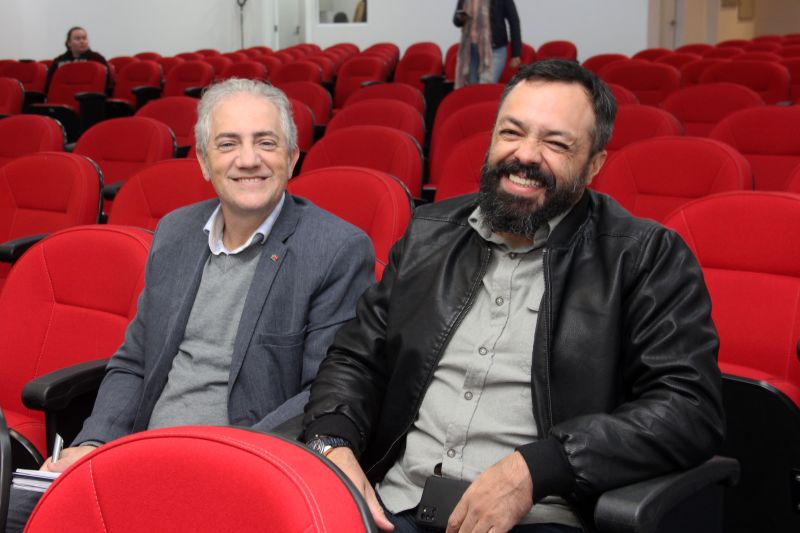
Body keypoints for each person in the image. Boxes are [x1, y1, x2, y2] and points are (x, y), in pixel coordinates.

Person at [302, 59, 724, 533]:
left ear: (594, 165)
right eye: (512, 132)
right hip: (394, 508)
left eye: (556, 143)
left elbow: (688, 408)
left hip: (538, 517)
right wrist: (332, 440)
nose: (525, 154)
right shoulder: (429, 233)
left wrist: (540, 467)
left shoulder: (643, 256)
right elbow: (356, 357)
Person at [5, 78, 375, 532]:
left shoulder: (335, 248)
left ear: (293, 156)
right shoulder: (175, 232)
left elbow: (324, 394)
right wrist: (93, 442)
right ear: (203, 160)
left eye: (266, 142)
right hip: (141, 455)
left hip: (241, 468)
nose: (248, 159)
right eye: (228, 144)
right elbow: (134, 361)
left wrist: (216, 461)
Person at [453, 0, 522, 87]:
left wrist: (516, 53)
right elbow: (456, 20)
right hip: (471, 50)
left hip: (495, 50)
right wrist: (460, 18)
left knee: (485, 87)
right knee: (472, 88)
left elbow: (514, 21)